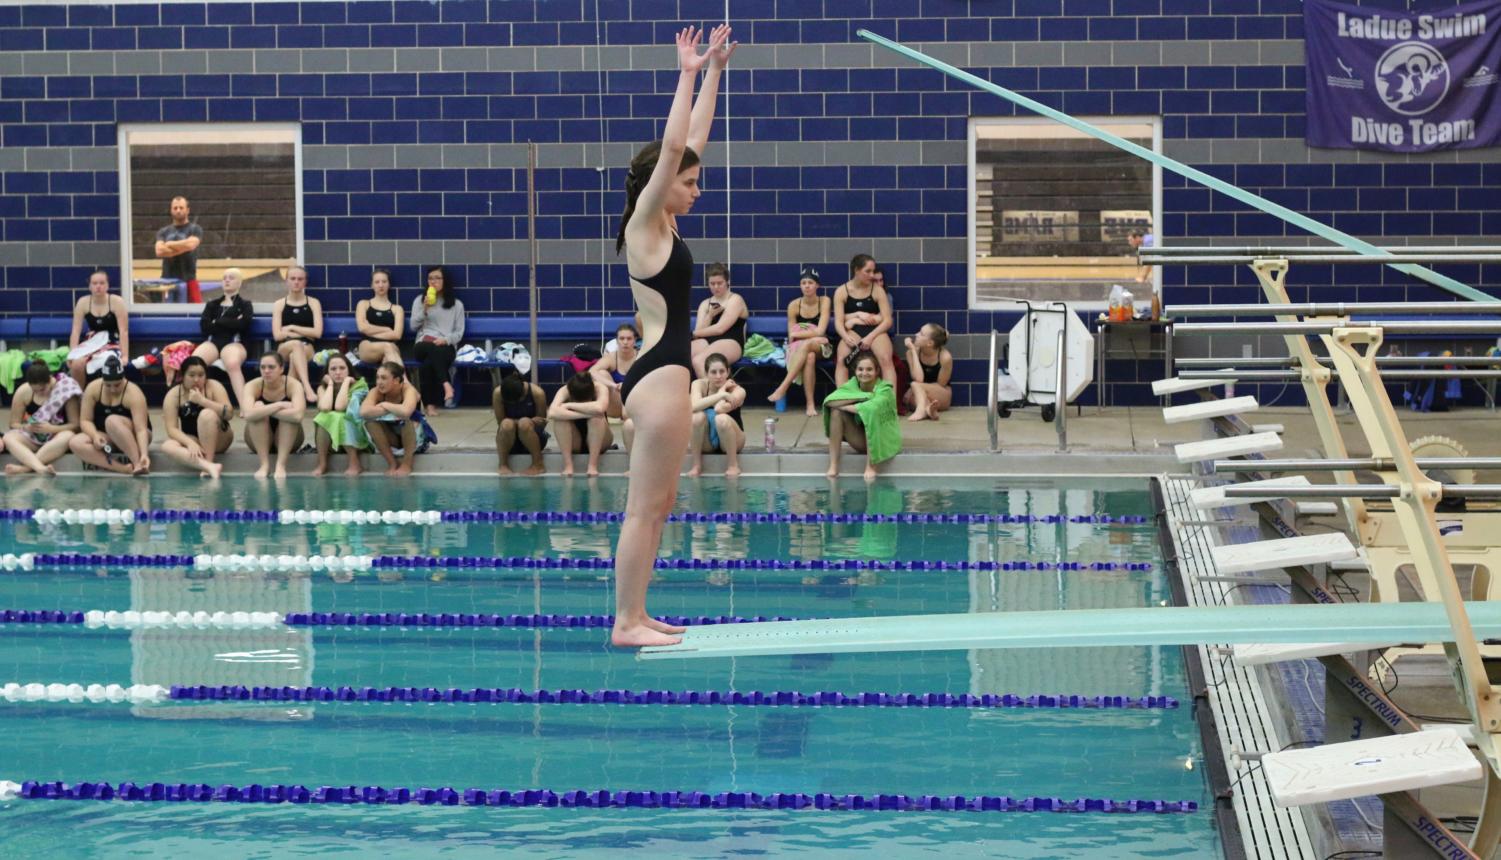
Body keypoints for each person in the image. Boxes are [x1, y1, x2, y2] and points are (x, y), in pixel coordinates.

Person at [611, 23, 734, 647]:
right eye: (690, 183)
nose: (696, 187)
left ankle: (639, 611)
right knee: (643, 508)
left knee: (659, 508)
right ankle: (626, 622)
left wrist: (716, 69)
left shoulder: (667, 227)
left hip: (668, 377)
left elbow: (692, 143)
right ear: (662, 184)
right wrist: (686, 72)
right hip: (658, 379)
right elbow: (671, 150)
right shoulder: (644, 227)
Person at [824, 350, 900, 481]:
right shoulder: (853, 385)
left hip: (883, 442)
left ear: (877, 371)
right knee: (836, 412)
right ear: (855, 371)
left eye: (869, 369)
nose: (864, 373)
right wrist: (865, 396)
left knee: (870, 415)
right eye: (860, 369)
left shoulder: (885, 389)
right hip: (861, 440)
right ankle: (834, 465)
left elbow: (871, 409)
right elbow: (829, 401)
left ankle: (871, 466)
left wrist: (848, 404)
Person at [68, 356, 152, 475]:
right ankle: (123, 469)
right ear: (102, 379)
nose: (112, 389)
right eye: (108, 385)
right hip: (108, 437)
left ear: (123, 378)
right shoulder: (93, 388)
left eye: (117, 385)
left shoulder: (134, 393)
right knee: (75, 442)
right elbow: (85, 420)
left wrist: (144, 454)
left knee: (112, 421)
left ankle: (138, 463)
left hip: (136, 437)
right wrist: (95, 435)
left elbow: (141, 429)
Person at [767, 266, 831, 415]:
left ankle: (783, 387)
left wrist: (805, 334)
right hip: (804, 347)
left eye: (810, 282)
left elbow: (821, 331)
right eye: (804, 283)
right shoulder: (794, 305)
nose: (807, 286)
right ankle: (810, 405)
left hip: (823, 346)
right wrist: (812, 334)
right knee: (809, 357)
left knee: (809, 346)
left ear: (817, 285)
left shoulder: (825, 301)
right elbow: (792, 335)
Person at [160, 356, 233, 479]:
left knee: (206, 415)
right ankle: (208, 467)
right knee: (167, 446)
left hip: (220, 438)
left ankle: (209, 462)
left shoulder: (213, 386)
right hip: (195, 439)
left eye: (201, 375)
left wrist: (204, 402)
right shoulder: (174, 395)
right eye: (191, 375)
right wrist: (189, 443)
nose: (196, 379)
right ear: (182, 376)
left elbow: (229, 414)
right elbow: (171, 429)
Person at [4, 363, 80, 476]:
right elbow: (13, 424)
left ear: (50, 380)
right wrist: (26, 427)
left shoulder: (65, 388)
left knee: (68, 435)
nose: (39, 393)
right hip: (34, 437)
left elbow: (76, 425)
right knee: (8, 437)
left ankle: (25, 469)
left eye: (43, 389)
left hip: (56, 438)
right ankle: (40, 468)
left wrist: (52, 428)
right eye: (35, 390)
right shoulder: (23, 391)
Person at [193, 266, 253, 406]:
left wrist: (218, 322)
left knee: (232, 363)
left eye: (231, 278)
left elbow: (243, 325)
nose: (227, 280)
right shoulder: (212, 304)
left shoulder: (245, 305)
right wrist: (232, 321)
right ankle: (195, 402)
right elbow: (205, 327)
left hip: (234, 343)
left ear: (239, 282)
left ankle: (245, 406)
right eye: (224, 278)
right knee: (195, 363)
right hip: (213, 342)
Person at [832, 254, 897, 386]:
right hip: (853, 332)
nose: (872, 275)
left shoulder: (877, 290)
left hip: (876, 331)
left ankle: (890, 404)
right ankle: (843, 401)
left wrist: (871, 337)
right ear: (856, 270)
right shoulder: (841, 291)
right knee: (842, 360)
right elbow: (838, 322)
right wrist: (845, 337)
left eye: (873, 271)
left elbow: (887, 321)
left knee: (886, 359)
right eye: (868, 271)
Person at [410, 264, 465, 417]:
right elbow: (413, 326)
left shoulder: (456, 305)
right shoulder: (419, 301)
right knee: (431, 349)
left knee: (428, 365)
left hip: (444, 346)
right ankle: (446, 384)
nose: (433, 282)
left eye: (437, 278)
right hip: (423, 343)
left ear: (445, 281)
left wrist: (446, 340)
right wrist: (425, 309)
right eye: (430, 278)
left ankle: (430, 405)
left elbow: (459, 332)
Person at [242, 351, 306, 480]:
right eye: (263, 367)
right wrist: (278, 405)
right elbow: (247, 414)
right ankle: (264, 465)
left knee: (288, 417)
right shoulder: (252, 385)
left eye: (271, 367)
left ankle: (280, 465)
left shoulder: (293, 385)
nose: (266, 371)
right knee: (258, 407)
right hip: (256, 440)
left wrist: (262, 411)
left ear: (281, 369)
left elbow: (298, 416)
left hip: (290, 439)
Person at [67, 269, 129, 387]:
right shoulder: (83, 302)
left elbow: (123, 331)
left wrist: (125, 355)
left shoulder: (116, 302)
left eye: (101, 283)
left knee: (107, 361)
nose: (98, 287)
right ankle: (81, 395)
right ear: (90, 286)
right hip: (92, 341)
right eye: (95, 283)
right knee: (76, 364)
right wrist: (73, 352)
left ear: (107, 285)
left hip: (112, 341)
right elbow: (75, 331)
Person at [271, 266, 323, 404]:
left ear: (305, 282)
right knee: (295, 344)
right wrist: (304, 331)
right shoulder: (279, 304)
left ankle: (287, 397)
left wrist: (292, 327)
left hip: (307, 348)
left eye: (300, 279)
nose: (296, 282)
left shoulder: (313, 303)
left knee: (296, 354)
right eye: (292, 279)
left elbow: (317, 332)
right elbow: (277, 335)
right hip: (284, 348)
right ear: (286, 281)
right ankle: (307, 388)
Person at [359, 361, 421, 476]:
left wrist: (385, 405)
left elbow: (406, 412)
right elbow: (363, 412)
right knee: (370, 422)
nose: (379, 382)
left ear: (396, 380)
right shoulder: (376, 391)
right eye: (377, 378)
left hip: (415, 438)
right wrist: (394, 408)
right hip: (392, 438)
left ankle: (407, 464)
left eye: (384, 378)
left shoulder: (408, 390)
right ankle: (392, 463)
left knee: (406, 420)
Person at [688, 353, 745, 477]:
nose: (718, 376)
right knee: (696, 417)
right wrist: (721, 395)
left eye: (722, 371)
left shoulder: (738, 390)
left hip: (733, 441)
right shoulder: (698, 384)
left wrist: (722, 390)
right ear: (706, 373)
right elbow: (693, 407)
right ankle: (696, 465)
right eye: (713, 372)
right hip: (708, 442)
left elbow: (719, 409)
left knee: (721, 419)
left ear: (728, 372)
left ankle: (733, 465)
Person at [548, 372, 613, 478]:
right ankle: (568, 466)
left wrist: (568, 405)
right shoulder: (565, 390)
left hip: (601, 439)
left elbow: (600, 408)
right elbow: (552, 413)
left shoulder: (600, 388)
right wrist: (585, 414)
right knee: (560, 420)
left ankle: (592, 466)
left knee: (596, 418)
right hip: (575, 440)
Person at [690, 262, 748, 377]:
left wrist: (691, 334)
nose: (716, 287)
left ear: (727, 282)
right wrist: (710, 316)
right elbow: (699, 333)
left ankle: (712, 394)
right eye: (712, 283)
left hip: (731, 341)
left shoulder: (735, 299)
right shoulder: (705, 304)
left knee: (699, 361)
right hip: (708, 341)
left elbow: (720, 329)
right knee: (680, 357)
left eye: (719, 283)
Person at [312, 353, 365, 477]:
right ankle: (322, 463)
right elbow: (324, 408)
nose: (338, 372)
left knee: (340, 416)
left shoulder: (360, 386)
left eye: (342, 368)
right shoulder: (322, 388)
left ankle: (354, 462)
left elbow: (340, 407)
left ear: (349, 370)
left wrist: (346, 382)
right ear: (327, 373)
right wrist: (330, 385)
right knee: (323, 417)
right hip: (332, 441)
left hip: (357, 439)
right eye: (333, 369)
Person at [492, 372, 548, 476]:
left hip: (533, 438)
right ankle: (503, 464)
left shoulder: (537, 393)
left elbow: (541, 423)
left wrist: (527, 422)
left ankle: (538, 464)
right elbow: (500, 422)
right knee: (506, 424)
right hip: (510, 439)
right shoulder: (498, 393)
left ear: (522, 394)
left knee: (524, 423)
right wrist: (529, 420)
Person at [154, 195, 203, 302]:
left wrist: (169, 244)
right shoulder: (163, 231)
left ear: (188, 210)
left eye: (181, 208)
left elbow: (191, 245)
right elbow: (159, 251)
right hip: (167, 281)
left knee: (197, 314)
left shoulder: (195, 229)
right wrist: (183, 247)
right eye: (175, 208)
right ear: (171, 210)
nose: (178, 210)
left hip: (189, 280)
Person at [354, 268, 404, 367]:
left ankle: (393, 382)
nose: (381, 285)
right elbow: (362, 328)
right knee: (387, 347)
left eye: (384, 281)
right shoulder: (363, 304)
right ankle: (405, 381)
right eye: (377, 282)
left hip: (391, 347)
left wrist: (370, 329)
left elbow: (397, 335)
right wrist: (387, 329)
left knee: (387, 361)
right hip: (367, 345)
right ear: (372, 285)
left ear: (389, 284)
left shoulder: (397, 309)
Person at [904, 323, 953, 421]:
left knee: (914, 385)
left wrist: (918, 388)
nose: (916, 334)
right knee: (908, 398)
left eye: (921, 334)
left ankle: (921, 410)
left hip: (941, 393)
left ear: (929, 343)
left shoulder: (945, 357)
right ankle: (929, 410)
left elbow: (941, 384)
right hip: (923, 393)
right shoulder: (910, 353)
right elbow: (919, 378)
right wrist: (913, 351)